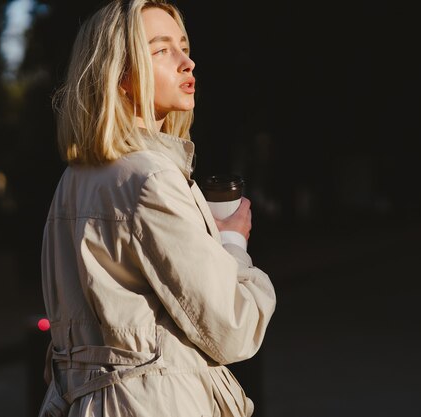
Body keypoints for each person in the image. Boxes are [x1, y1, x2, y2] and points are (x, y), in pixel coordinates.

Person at [38, 1, 276, 416]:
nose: (187, 62)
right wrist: (232, 243)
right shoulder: (150, 179)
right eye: (162, 50)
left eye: (184, 46)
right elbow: (232, 328)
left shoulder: (73, 180)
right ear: (121, 74)